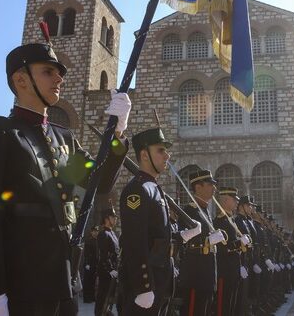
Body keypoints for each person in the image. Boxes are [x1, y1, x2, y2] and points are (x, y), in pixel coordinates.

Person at [0, 42, 131, 316]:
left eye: (59, 72)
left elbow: (98, 181)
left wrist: (118, 135)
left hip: (62, 282)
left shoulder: (65, 140)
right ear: (21, 79)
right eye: (48, 71)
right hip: (19, 285)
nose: (59, 78)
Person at [118, 128, 201, 315]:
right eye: (160, 150)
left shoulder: (154, 188)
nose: (167, 155)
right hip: (146, 283)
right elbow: (135, 242)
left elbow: (158, 236)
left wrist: (183, 236)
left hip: (161, 276)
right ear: (144, 155)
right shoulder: (138, 190)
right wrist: (143, 286)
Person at [179, 170, 225, 316]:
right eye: (210, 184)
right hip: (195, 274)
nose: (214, 188)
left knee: (204, 309)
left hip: (207, 273)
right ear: (198, 187)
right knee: (194, 310)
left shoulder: (204, 211)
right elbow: (184, 240)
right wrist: (207, 240)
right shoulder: (189, 212)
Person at [213, 187, 249, 316]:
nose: (236, 203)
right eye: (234, 200)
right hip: (225, 270)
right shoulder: (219, 221)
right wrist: (239, 243)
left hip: (234, 268)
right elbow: (222, 248)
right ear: (225, 200)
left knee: (233, 304)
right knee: (224, 305)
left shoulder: (231, 220)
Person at [94, 207, 120, 315]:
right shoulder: (103, 234)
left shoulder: (112, 234)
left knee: (109, 301)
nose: (115, 219)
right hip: (106, 273)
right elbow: (103, 255)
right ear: (107, 219)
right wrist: (110, 269)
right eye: (113, 217)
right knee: (102, 300)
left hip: (113, 273)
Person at [82, 226, 99, 304]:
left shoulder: (97, 241)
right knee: (87, 281)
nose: (95, 232)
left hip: (95, 264)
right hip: (89, 263)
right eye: (94, 231)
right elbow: (87, 253)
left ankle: (92, 297)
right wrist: (87, 263)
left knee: (92, 281)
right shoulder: (89, 241)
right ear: (91, 232)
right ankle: (86, 298)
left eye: (96, 231)